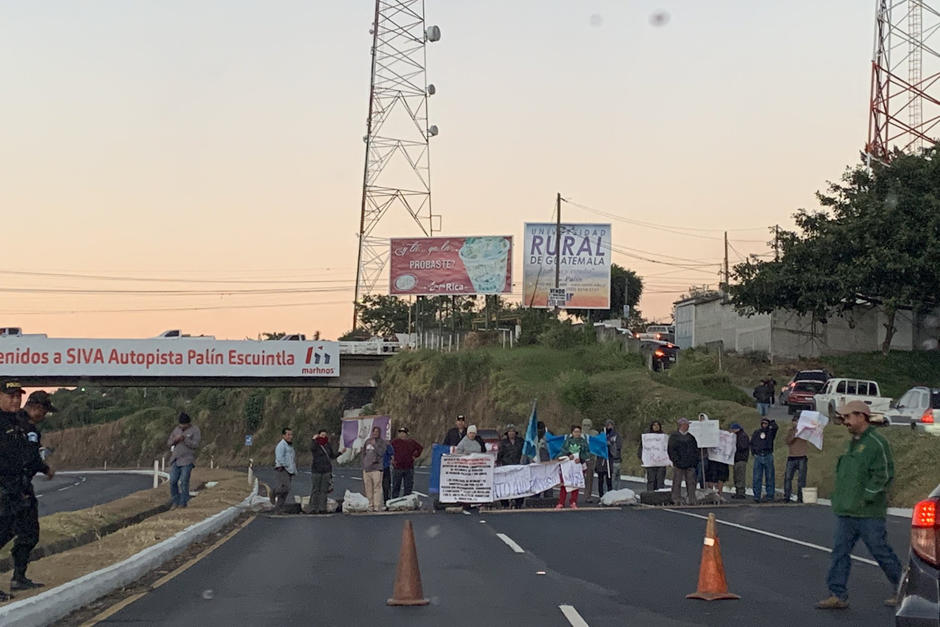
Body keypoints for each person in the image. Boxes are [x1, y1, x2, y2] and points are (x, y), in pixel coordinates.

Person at [816, 401, 903, 610]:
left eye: (848, 417)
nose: (845, 422)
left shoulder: (876, 443)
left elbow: (883, 474)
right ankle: (837, 594)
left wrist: (868, 496)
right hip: (846, 510)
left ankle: (904, 589)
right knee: (839, 552)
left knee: (880, 551)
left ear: (861, 416)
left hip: (868, 512)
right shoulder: (850, 444)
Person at [0, 380, 45, 596]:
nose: (16, 400)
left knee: (29, 532)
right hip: (3, 488)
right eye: (11, 395)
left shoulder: (20, 422)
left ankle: (19, 577)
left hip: (20, 488)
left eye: (18, 395)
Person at [167, 412, 201, 509]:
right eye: (180, 425)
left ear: (188, 423)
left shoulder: (195, 430)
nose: (182, 427)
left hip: (187, 460)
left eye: (184, 425)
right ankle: (175, 501)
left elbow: (195, 445)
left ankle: (183, 503)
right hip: (176, 459)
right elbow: (169, 443)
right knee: (173, 481)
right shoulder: (176, 430)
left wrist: (185, 439)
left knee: (184, 481)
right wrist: (175, 440)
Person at [555, 425, 590, 509]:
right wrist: (568, 455)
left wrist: (581, 459)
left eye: (578, 432)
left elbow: (587, 453)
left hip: (578, 465)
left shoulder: (583, 442)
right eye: (575, 432)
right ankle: (561, 502)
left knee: (575, 483)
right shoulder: (568, 441)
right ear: (572, 433)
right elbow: (562, 450)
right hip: (567, 465)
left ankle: (573, 501)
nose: (577, 433)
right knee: (564, 484)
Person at [667, 417, 698, 506]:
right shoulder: (674, 437)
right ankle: (676, 498)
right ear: (681, 425)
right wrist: (676, 461)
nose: (687, 426)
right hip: (679, 464)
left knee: (691, 482)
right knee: (677, 482)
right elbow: (671, 450)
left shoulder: (691, 437)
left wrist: (694, 461)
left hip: (690, 464)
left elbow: (695, 450)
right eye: (686, 424)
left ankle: (692, 499)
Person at [309, 428, 338, 514]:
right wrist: (313, 440)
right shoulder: (315, 444)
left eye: (325, 435)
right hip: (316, 470)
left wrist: (340, 452)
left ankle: (322, 508)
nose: (323, 437)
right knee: (315, 490)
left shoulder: (327, 445)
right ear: (318, 435)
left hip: (326, 470)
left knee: (324, 490)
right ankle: (313, 508)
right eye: (321, 435)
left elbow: (332, 456)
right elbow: (312, 448)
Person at [750, 417, 778, 503]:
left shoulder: (770, 432)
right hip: (758, 456)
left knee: (769, 476)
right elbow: (752, 443)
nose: (764, 425)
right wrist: (754, 452)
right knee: (757, 477)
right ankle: (757, 496)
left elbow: (775, 427)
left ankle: (770, 495)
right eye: (763, 423)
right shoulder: (757, 432)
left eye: (766, 423)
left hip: (768, 455)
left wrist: (772, 421)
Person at [496, 424, 525, 509]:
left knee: (519, 486)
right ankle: (505, 503)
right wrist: (499, 464)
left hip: (518, 466)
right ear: (507, 433)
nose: (511, 433)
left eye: (513, 431)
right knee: (505, 486)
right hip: (506, 467)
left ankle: (518, 502)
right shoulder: (503, 443)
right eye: (509, 432)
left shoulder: (521, 441)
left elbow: (525, 453)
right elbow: (500, 455)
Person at [390, 427, 423, 498]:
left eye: (403, 433)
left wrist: (415, 455)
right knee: (396, 485)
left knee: (408, 486)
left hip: (409, 467)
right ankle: (394, 500)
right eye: (400, 433)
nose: (402, 435)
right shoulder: (394, 442)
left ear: (407, 434)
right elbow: (389, 450)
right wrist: (391, 459)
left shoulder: (411, 442)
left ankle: (407, 500)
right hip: (397, 467)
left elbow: (420, 448)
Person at [361, 426, 388, 512]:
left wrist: (375, 445)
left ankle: (377, 505)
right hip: (367, 468)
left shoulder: (382, 442)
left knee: (377, 487)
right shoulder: (367, 441)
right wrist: (364, 463)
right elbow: (363, 453)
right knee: (368, 487)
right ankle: (370, 505)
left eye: (377, 432)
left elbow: (381, 453)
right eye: (374, 431)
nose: (375, 433)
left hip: (377, 468)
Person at [637, 421, 668, 492]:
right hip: (650, 463)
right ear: (651, 426)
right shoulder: (647, 438)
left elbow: (667, 449)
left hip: (661, 463)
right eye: (654, 425)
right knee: (651, 481)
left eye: (658, 425)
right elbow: (642, 448)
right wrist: (642, 457)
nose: (656, 426)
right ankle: (650, 497)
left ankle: (660, 498)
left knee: (660, 481)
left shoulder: (664, 437)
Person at [784, 415, 808, 503]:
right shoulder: (790, 431)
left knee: (801, 479)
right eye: (794, 421)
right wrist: (794, 433)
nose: (795, 423)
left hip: (802, 456)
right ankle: (787, 496)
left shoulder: (804, 431)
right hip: (792, 457)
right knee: (788, 477)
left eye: (797, 421)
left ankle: (800, 497)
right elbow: (788, 441)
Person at [272, 427, 296, 513]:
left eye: (291, 434)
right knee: (285, 488)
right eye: (288, 434)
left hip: (290, 470)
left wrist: (293, 470)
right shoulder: (281, 445)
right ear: (283, 435)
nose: (290, 436)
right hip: (282, 469)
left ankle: (278, 509)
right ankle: (274, 491)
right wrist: (286, 466)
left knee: (285, 492)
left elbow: (292, 458)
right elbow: (279, 458)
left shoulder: (290, 445)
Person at [730, 423, 749, 499]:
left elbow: (743, 446)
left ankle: (741, 492)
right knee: (736, 476)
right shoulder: (737, 436)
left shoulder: (742, 436)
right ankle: (738, 491)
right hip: (736, 459)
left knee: (740, 476)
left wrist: (734, 445)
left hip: (741, 458)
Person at [580, 418, 598, 502]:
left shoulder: (594, 434)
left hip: (591, 459)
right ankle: (573, 497)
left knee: (589, 479)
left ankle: (588, 496)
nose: (586, 427)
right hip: (579, 460)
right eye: (584, 425)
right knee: (576, 478)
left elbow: (598, 445)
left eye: (588, 425)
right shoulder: (578, 434)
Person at [603, 420, 622, 491]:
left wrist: (611, 444)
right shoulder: (604, 435)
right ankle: (608, 494)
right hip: (608, 460)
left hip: (616, 459)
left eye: (611, 425)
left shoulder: (617, 435)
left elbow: (619, 446)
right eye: (608, 425)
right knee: (610, 478)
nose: (610, 427)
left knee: (617, 478)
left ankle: (616, 492)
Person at [381, 439, 393, 504]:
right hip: (374, 468)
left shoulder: (387, 445)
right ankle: (373, 503)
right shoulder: (371, 443)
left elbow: (392, 455)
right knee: (375, 487)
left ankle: (386, 501)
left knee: (386, 486)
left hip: (385, 467)